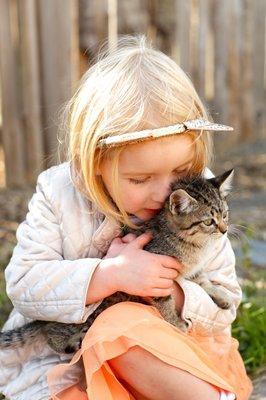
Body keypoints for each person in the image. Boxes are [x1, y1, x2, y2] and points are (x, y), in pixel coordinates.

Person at [0, 35, 252, 400]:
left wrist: (174, 291)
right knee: (70, 388)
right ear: (95, 163)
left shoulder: (199, 200)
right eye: (139, 179)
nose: (165, 194)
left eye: (180, 170)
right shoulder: (58, 195)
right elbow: (24, 284)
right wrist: (108, 275)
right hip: (64, 356)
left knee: (119, 327)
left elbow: (225, 302)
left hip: (170, 356)